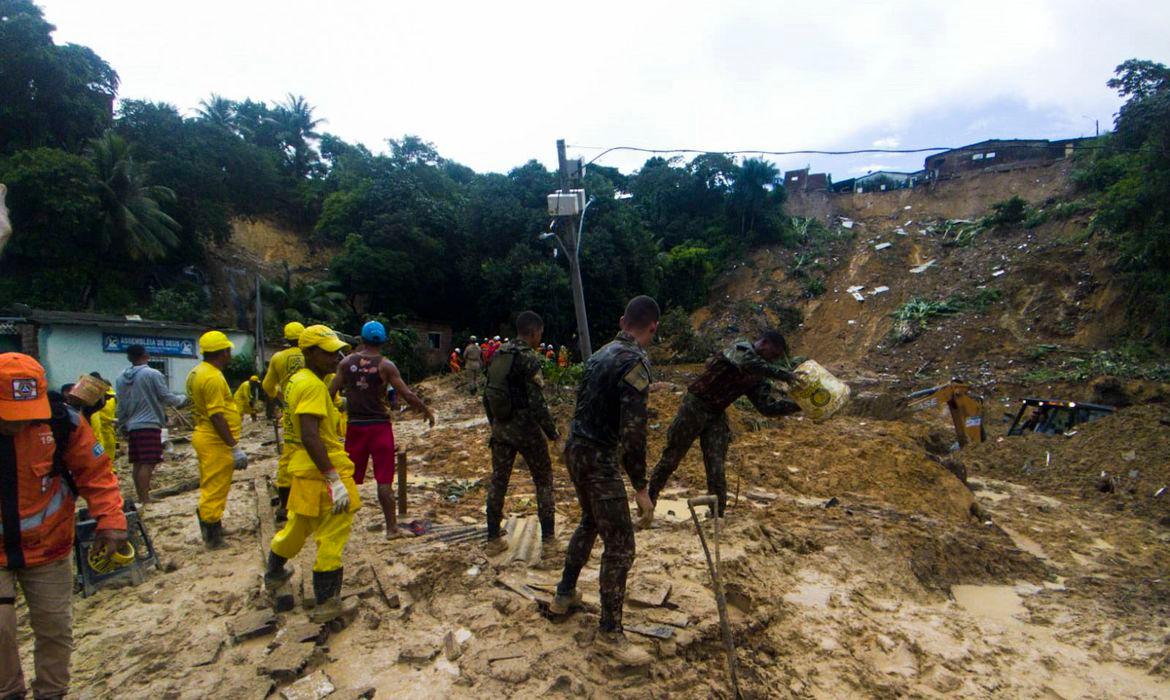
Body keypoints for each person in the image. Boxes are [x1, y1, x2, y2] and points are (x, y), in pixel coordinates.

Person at [1, 353, 128, 699]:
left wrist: (111, 520)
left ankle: (51, 693)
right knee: (1, 629)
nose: (17, 423)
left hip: (49, 546)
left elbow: (96, 474)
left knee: (55, 628)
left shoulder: (63, 423)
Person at [551, 296, 660, 666]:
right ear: (653, 327)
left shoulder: (598, 355)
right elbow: (634, 432)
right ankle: (610, 634)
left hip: (576, 450)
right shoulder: (635, 362)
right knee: (622, 546)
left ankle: (564, 594)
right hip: (599, 458)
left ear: (621, 320)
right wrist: (641, 487)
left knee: (590, 521)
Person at [264, 326, 361, 619]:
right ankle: (327, 602)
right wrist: (333, 478)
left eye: (336, 352)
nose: (336, 358)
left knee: (298, 525)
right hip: (323, 467)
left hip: (303, 469)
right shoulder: (313, 387)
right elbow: (310, 434)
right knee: (333, 531)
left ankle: (275, 571)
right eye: (328, 353)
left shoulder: (297, 380)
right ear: (308, 353)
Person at [647, 331, 799, 516]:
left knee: (716, 466)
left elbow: (767, 407)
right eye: (773, 354)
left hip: (716, 414)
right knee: (671, 459)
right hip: (695, 406)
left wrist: (799, 405)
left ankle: (717, 514)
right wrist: (785, 375)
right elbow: (746, 362)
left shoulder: (759, 374)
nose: (772, 360)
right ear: (764, 343)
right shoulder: (741, 348)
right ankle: (648, 502)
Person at [331, 321, 435, 539]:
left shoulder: (346, 363)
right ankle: (391, 529)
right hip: (379, 427)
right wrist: (425, 410)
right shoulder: (386, 366)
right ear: (384, 342)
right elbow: (407, 394)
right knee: (384, 480)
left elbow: (329, 392)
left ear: (361, 339)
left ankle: (332, 525)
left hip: (355, 426)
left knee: (347, 477)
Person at [483, 311, 560, 559]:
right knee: (543, 480)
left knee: (498, 481)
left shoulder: (498, 354)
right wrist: (553, 434)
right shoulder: (529, 359)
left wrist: (495, 424)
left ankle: (493, 539)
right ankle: (549, 541)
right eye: (540, 334)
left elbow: (487, 394)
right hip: (527, 431)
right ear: (534, 332)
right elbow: (537, 404)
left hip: (501, 429)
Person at [187, 330, 247, 549]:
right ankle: (212, 535)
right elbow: (216, 415)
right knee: (214, 486)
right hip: (214, 439)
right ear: (223, 352)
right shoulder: (212, 377)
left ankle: (215, 523)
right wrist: (234, 447)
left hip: (206, 435)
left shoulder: (197, 371)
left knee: (215, 484)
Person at [116, 344, 187, 505]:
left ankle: (141, 495)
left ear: (129, 357)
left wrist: (122, 424)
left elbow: (120, 403)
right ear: (146, 355)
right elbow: (165, 396)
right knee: (148, 461)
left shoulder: (121, 378)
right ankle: (144, 498)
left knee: (138, 462)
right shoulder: (152, 374)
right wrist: (182, 399)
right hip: (148, 423)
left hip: (132, 425)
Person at [262, 321, 306, 523]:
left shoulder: (278, 358)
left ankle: (285, 506)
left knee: (289, 455)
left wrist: (282, 399)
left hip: (290, 412)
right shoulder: (312, 355)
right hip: (313, 408)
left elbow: (267, 385)